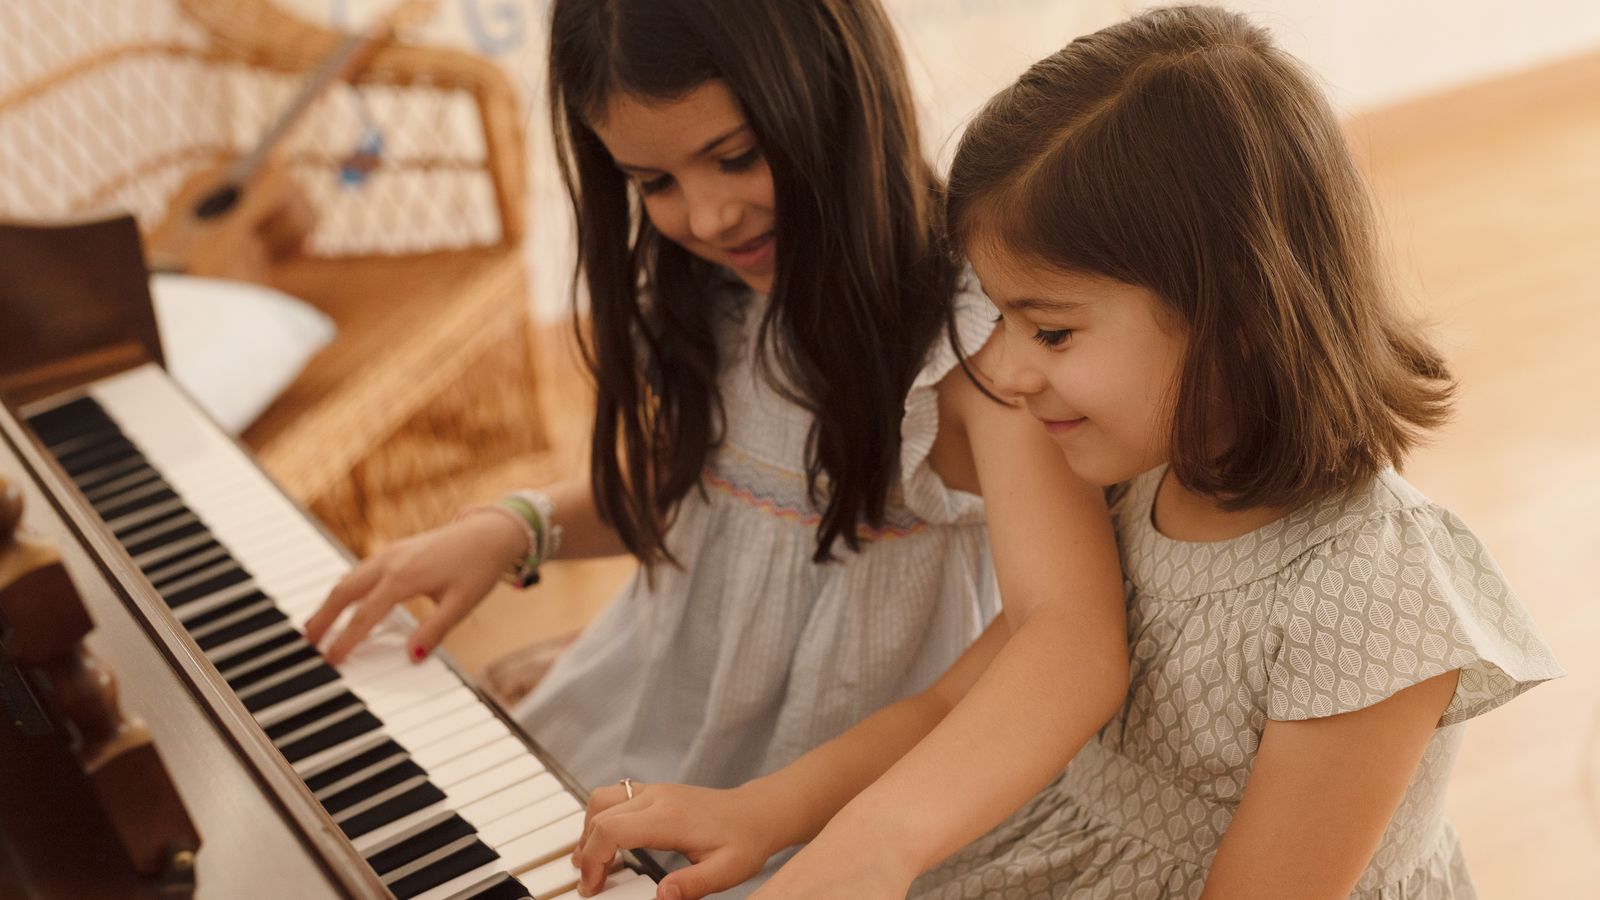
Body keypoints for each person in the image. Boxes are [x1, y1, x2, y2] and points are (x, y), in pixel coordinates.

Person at [572, 7, 1564, 898]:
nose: (999, 372)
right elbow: (947, 706)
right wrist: (764, 812)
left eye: (1047, 333)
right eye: (997, 319)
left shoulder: (1372, 598)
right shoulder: (1139, 491)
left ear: (1238, 319)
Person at [305, 0, 1128, 893]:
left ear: (838, 98)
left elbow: (1064, 631)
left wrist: (785, 814)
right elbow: (712, 485)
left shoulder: (976, 353)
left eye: (735, 156)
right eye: (651, 182)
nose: (703, 216)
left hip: (835, 796)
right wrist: (519, 525)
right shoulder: (726, 287)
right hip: (658, 718)